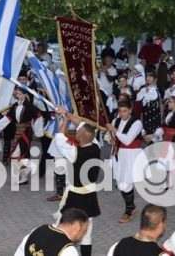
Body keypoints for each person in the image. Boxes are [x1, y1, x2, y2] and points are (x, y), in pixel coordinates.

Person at [52, 107, 100, 256]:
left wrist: (64, 119)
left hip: (74, 197)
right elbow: (81, 125)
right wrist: (66, 112)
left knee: (63, 227)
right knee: (86, 232)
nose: (76, 134)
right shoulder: (96, 146)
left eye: (78, 133)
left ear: (81, 137)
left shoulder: (74, 152)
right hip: (90, 196)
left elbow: (59, 137)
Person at [0, 88, 43, 185]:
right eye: (17, 94)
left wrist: (38, 132)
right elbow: (8, 118)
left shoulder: (29, 106)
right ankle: (23, 177)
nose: (18, 96)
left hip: (26, 132)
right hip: (17, 132)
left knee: (18, 153)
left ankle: (24, 172)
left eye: (20, 94)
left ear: (25, 95)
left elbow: (39, 115)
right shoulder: (15, 105)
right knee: (20, 154)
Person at [106, 99, 147, 223]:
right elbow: (110, 137)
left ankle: (129, 210)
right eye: (120, 111)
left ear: (130, 110)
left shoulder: (137, 123)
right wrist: (110, 139)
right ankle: (132, 207)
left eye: (125, 111)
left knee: (126, 183)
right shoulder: (115, 121)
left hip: (131, 155)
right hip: (118, 154)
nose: (122, 114)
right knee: (120, 183)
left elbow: (127, 140)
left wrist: (114, 131)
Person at [14, 207, 89, 256]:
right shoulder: (68, 250)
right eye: (83, 231)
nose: (81, 238)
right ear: (77, 227)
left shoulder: (38, 230)